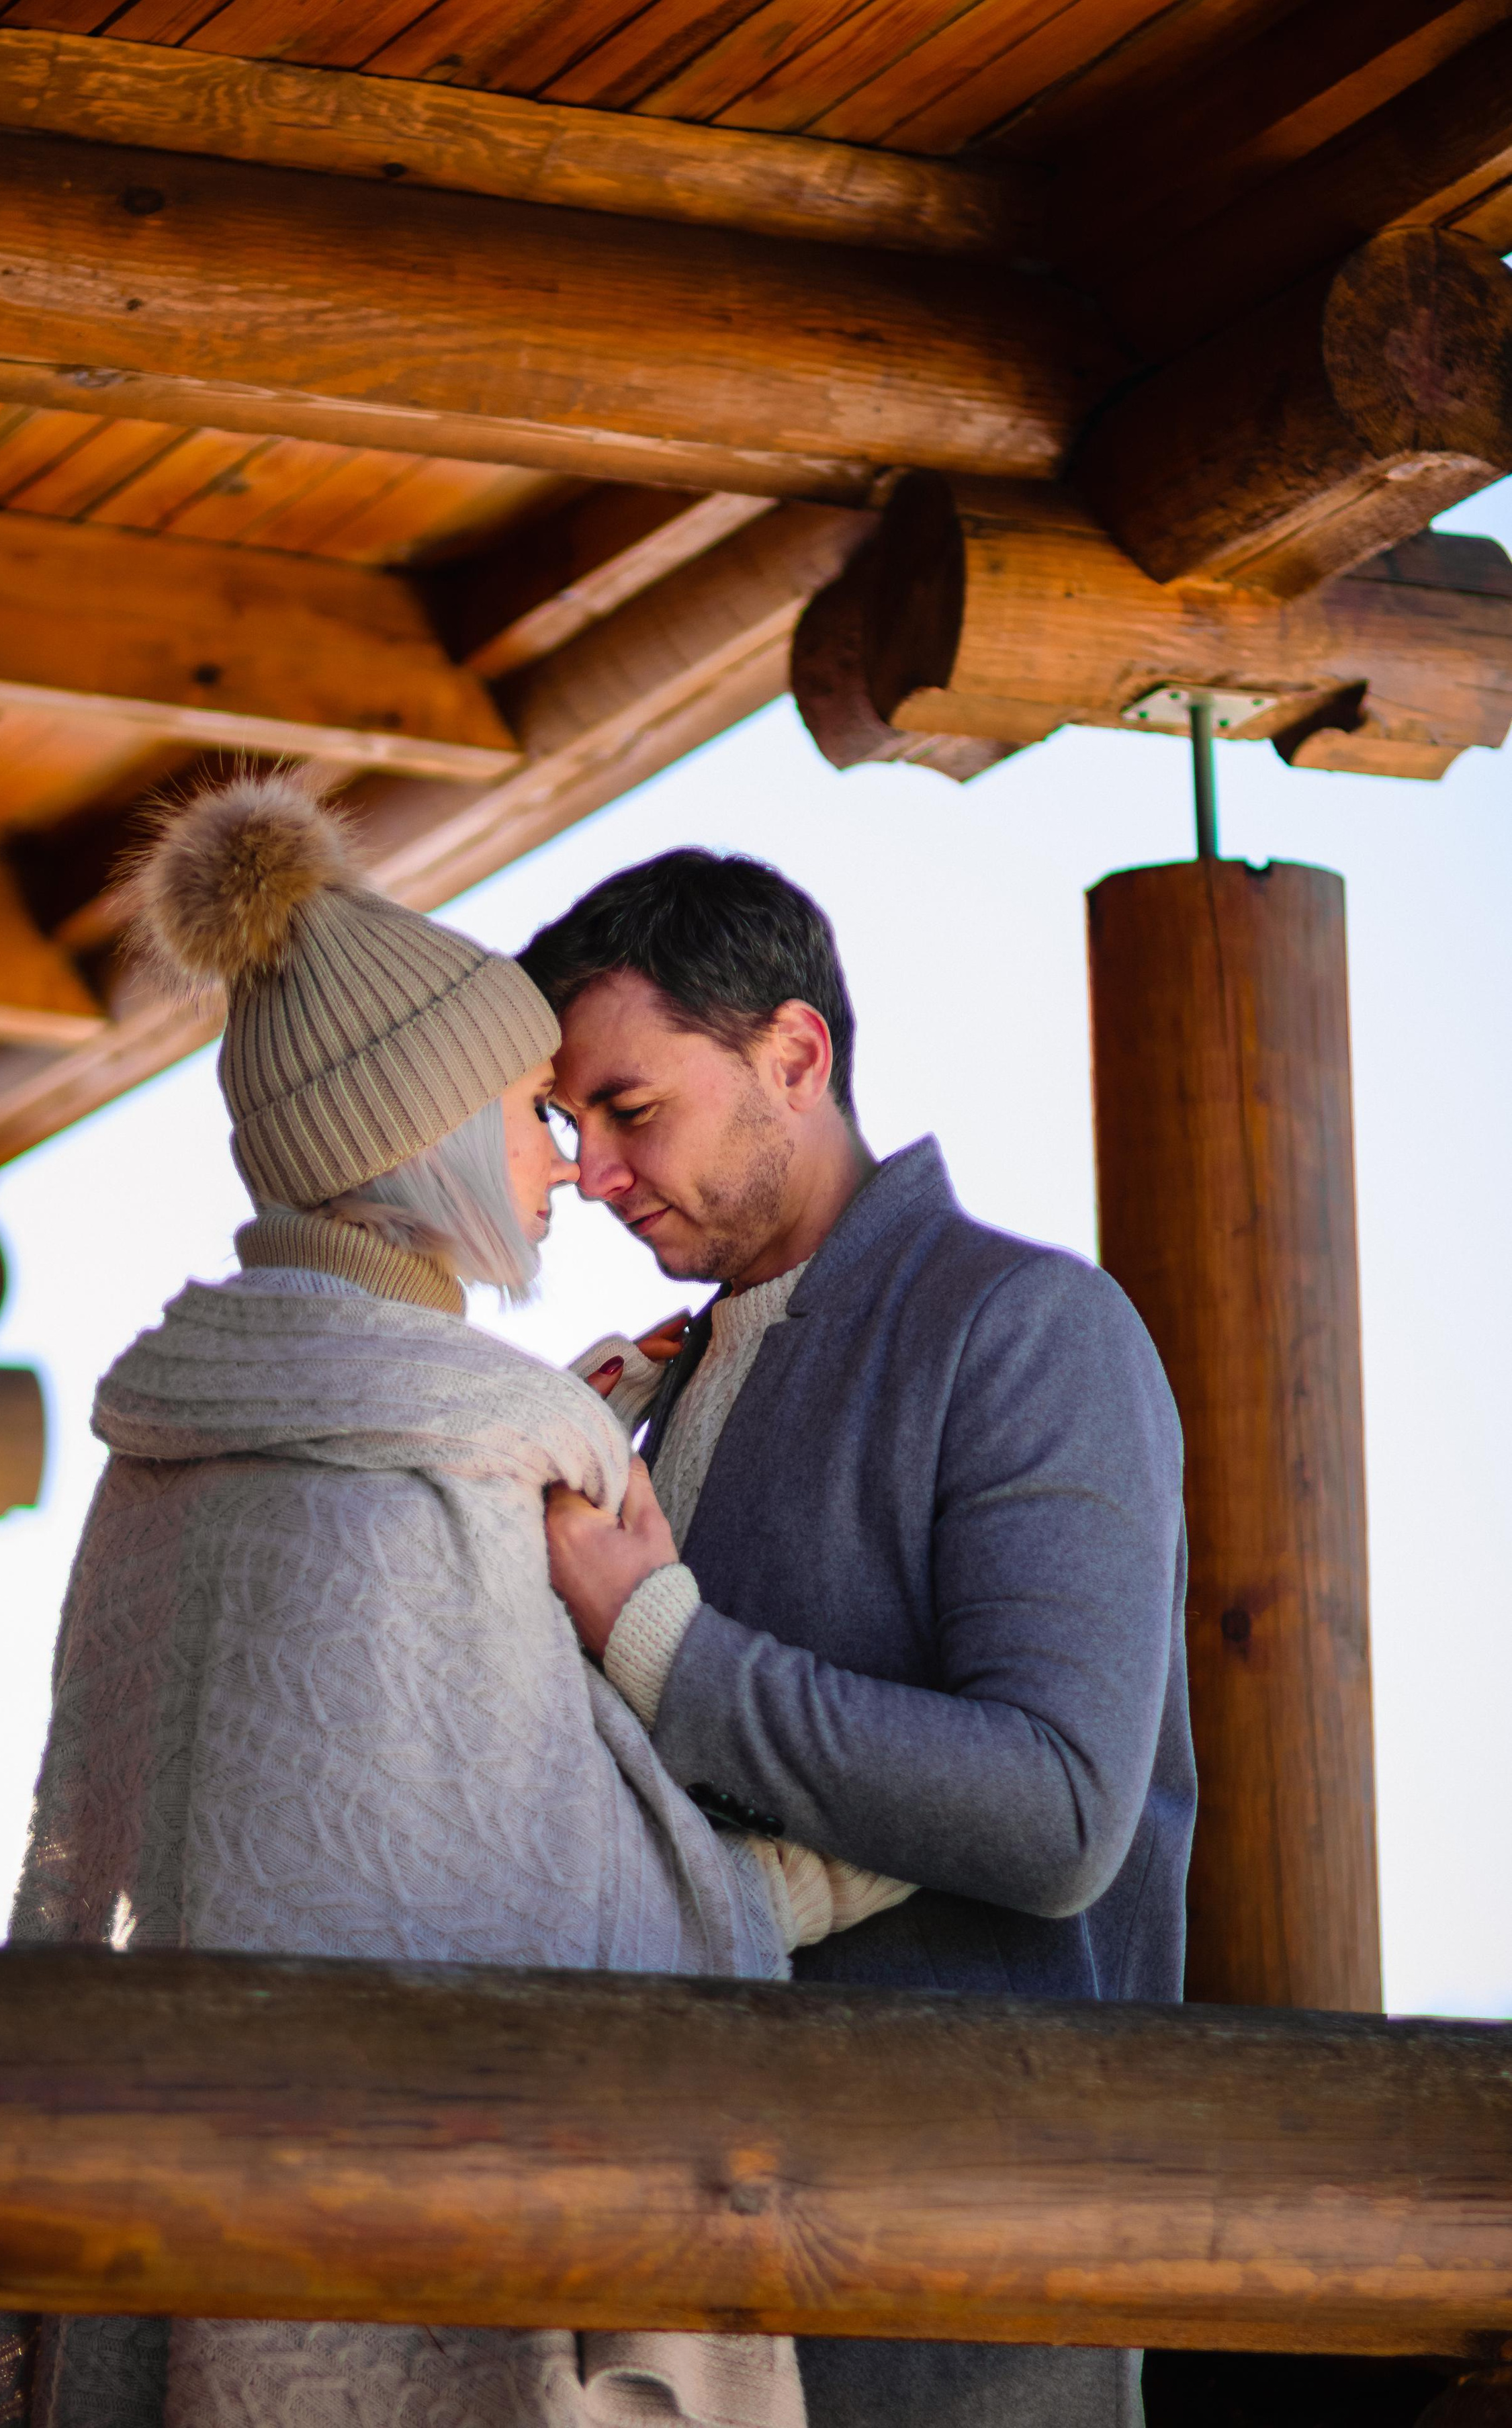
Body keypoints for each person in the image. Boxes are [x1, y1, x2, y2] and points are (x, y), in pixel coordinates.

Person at [0, 782, 809, 2428]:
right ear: (419, 1138)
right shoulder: (456, 1454)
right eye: (526, 1110)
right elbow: (541, 1886)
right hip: (425, 2264)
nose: (563, 1163)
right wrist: (801, 1878)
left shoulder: (190, 1429)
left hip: (195, 2209)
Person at [524, 849, 1195, 2428]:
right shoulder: (659, 1381)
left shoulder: (1027, 1328)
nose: (593, 1172)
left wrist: (658, 1644)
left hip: (958, 2315)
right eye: (566, 1126)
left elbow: (1055, 1814)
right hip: (674, 2290)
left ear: (793, 1054)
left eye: (629, 1109)